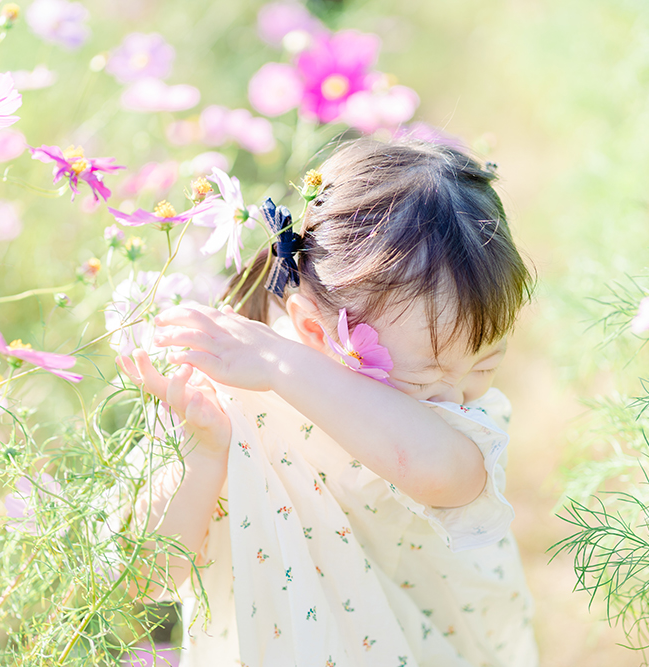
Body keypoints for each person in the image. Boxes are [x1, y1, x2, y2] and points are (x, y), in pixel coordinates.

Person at [117, 138, 538, 667]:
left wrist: (280, 364)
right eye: (426, 377)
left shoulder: (440, 422)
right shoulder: (231, 397)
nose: (454, 398)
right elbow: (143, 577)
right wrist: (204, 455)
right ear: (318, 330)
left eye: (485, 365)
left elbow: (442, 473)